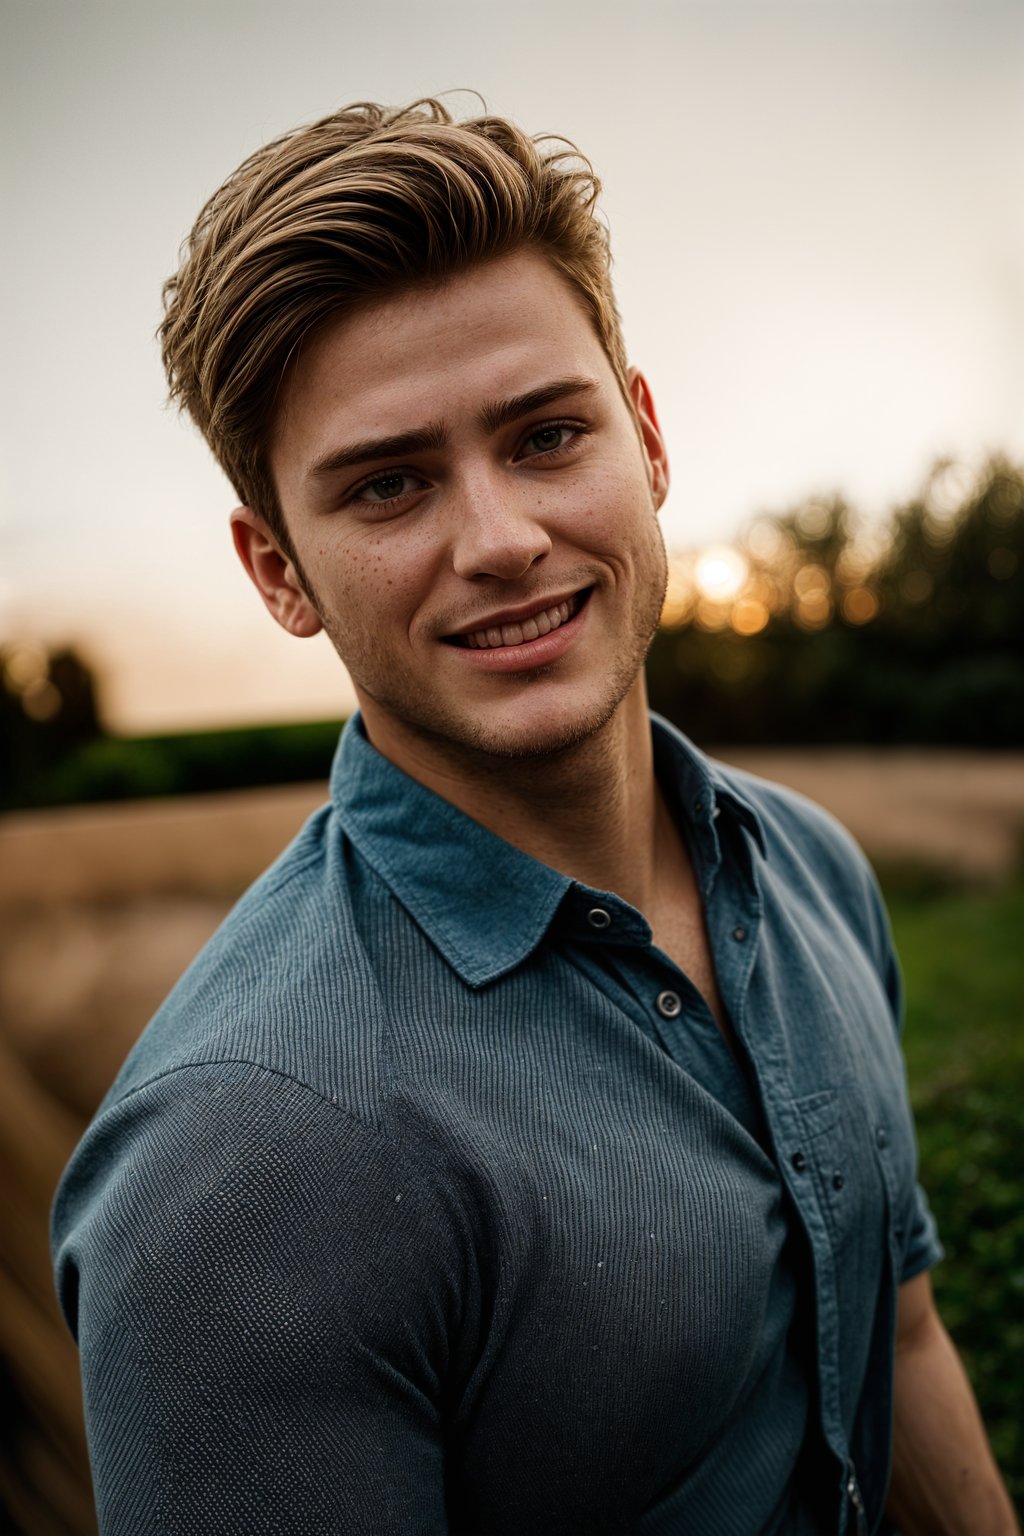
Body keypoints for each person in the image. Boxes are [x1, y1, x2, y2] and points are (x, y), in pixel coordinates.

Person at [51, 98, 1017, 1536]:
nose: (501, 541)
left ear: (646, 439)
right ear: (278, 571)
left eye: (547, 435)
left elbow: (906, 1338)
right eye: (388, 484)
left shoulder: (809, 868)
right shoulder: (237, 1170)